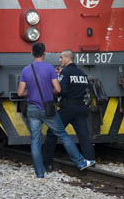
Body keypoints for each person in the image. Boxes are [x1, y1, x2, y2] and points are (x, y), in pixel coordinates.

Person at [17, 42, 95, 178]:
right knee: (66, 135)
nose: (60, 60)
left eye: (61, 57)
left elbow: (20, 93)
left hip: (34, 108)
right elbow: (58, 89)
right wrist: (48, 89)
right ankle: (83, 162)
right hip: (56, 107)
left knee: (36, 140)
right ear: (45, 53)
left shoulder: (26, 70)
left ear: (31, 53)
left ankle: (41, 172)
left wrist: (32, 92)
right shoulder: (53, 69)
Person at [43, 49, 95, 171]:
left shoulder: (65, 72)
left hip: (68, 108)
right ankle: (90, 160)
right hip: (81, 107)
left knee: (52, 133)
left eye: (61, 57)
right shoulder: (82, 73)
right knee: (84, 135)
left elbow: (61, 90)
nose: (59, 60)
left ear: (68, 58)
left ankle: (47, 164)